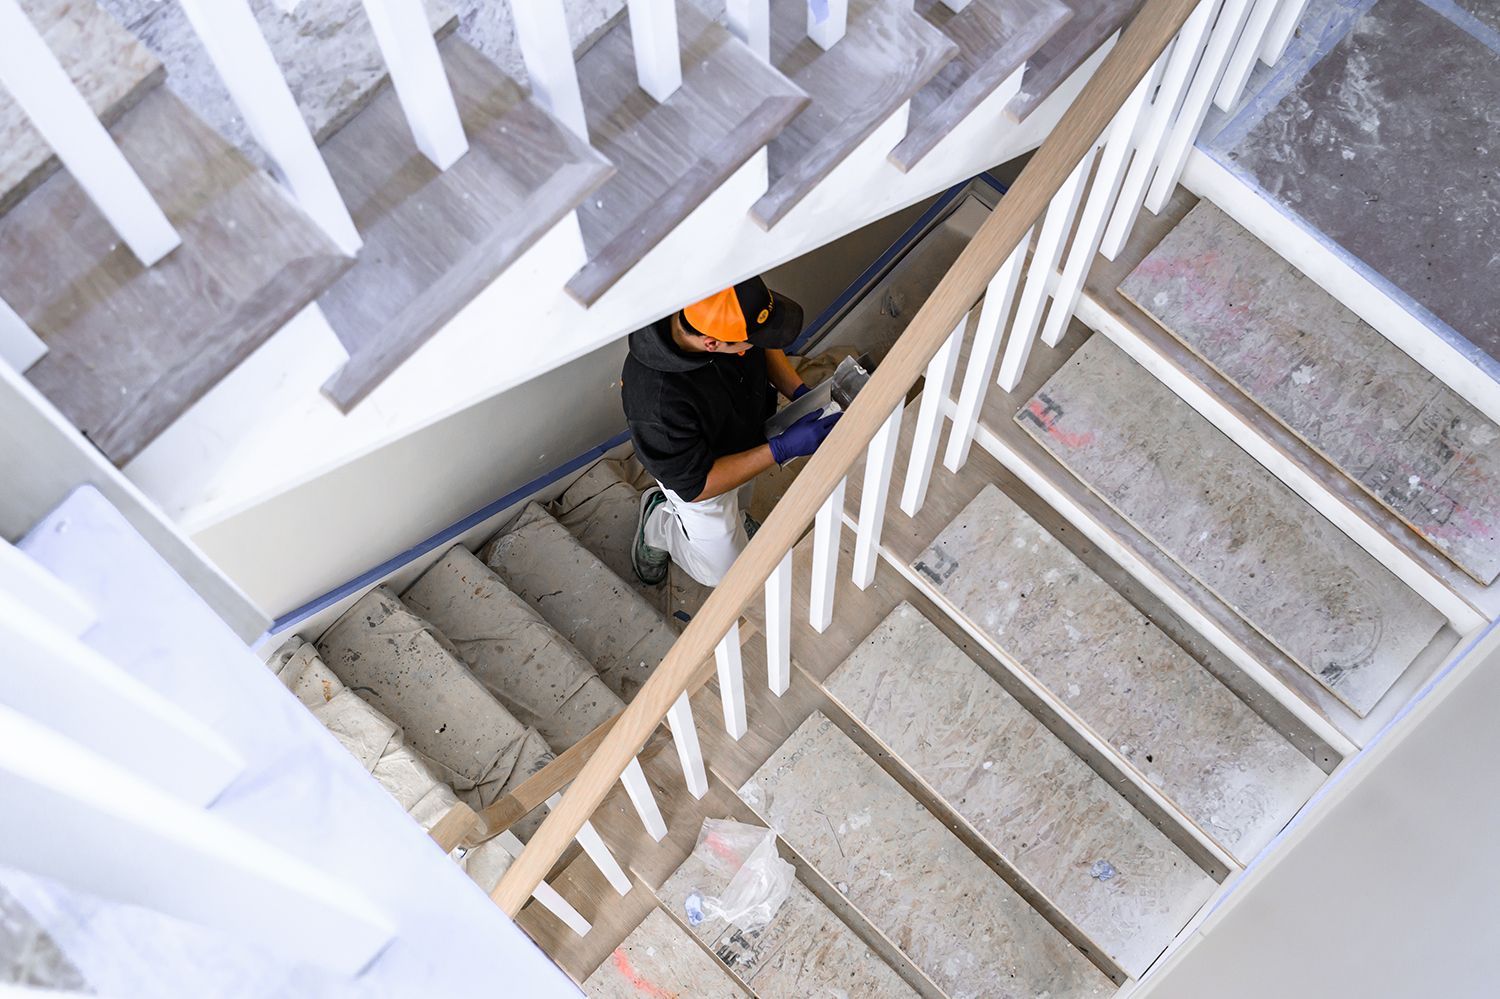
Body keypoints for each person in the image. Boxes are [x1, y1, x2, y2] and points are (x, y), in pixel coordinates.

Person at [622, 276, 842, 587]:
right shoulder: (656, 404)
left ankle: (736, 520)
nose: (758, 346)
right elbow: (696, 484)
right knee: (721, 573)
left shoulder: (717, 298)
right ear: (711, 343)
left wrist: (800, 394)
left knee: (740, 501)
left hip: (746, 435)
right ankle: (660, 525)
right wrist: (779, 450)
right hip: (702, 479)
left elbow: (761, 346)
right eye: (749, 342)